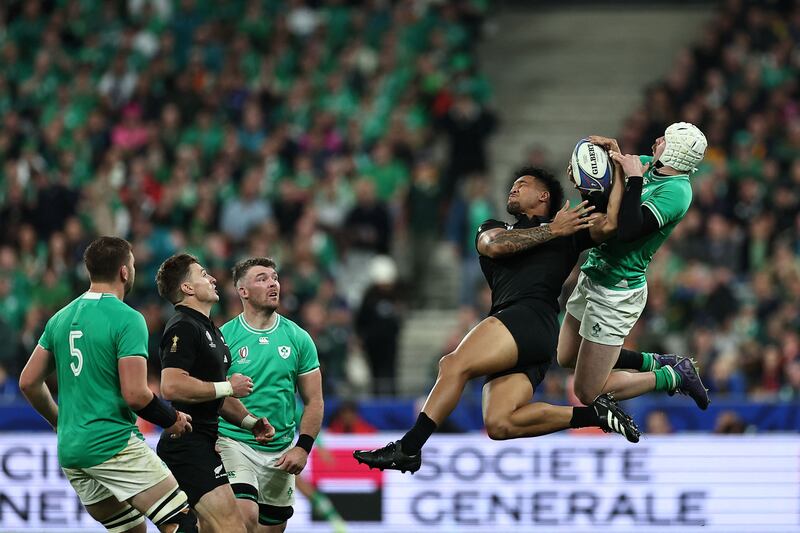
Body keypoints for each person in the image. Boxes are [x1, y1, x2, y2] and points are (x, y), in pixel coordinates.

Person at [354, 165, 639, 474]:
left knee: (452, 365)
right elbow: (495, 245)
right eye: (513, 184)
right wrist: (553, 230)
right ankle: (596, 416)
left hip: (525, 317)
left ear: (543, 196)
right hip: (528, 334)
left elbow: (612, 223)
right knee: (500, 424)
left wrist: (624, 174)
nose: (513, 189)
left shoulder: (569, 230)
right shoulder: (496, 227)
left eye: (523, 184)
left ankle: (409, 448)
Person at [19, 236, 197, 533]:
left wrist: (59, 421)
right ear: (124, 272)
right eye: (134, 264)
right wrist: (172, 419)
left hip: (72, 451)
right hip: (111, 444)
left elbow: (28, 382)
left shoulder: (60, 318)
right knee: (181, 521)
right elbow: (136, 394)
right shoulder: (127, 318)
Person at [557, 124, 711, 410]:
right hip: (595, 272)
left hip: (617, 291)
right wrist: (588, 182)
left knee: (586, 392)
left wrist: (634, 179)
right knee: (566, 356)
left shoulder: (677, 192)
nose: (657, 140)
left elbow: (628, 229)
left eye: (666, 139)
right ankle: (656, 361)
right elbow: (606, 212)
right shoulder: (643, 165)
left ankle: (672, 376)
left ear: (676, 152)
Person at [155, 254, 275, 533]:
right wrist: (229, 386)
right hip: (187, 443)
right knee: (233, 527)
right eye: (203, 273)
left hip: (204, 440)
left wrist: (249, 422)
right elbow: (171, 385)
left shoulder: (212, 331)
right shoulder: (183, 326)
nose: (211, 278)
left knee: (206, 528)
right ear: (187, 288)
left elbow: (214, 396)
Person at [217, 257, 324, 532]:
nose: (273, 283)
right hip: (235, 442)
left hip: (281, 450)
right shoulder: (224, 338)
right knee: (245, 517)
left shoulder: (298, 338)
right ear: (243, 291)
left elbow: (314, 401)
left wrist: (303, 447)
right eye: (261, 278)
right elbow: (214, 394)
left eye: (274, 277)